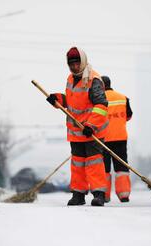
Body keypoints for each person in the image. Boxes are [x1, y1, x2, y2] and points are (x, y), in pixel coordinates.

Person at [46, 47, 109, 206]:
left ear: (83, 61)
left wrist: (91, 125)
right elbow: (71, 101)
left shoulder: (93, 79)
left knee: (94, 163)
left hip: (91, 131)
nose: (74, 67)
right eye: (71, 64)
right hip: (76, 132)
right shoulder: (70, 78)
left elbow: (101, 105)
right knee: (77, 164)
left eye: (76, 63)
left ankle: (99, 194)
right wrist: (57, 99)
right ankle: (78, 194)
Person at [101, 76, 133, 203]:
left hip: (102, 139)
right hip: (120, 138)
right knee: (121, 167)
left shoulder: (98, 99)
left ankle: (104, 195)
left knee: (104, 169)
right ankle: (124, 194)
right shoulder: (123, 98)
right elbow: (128, 116)